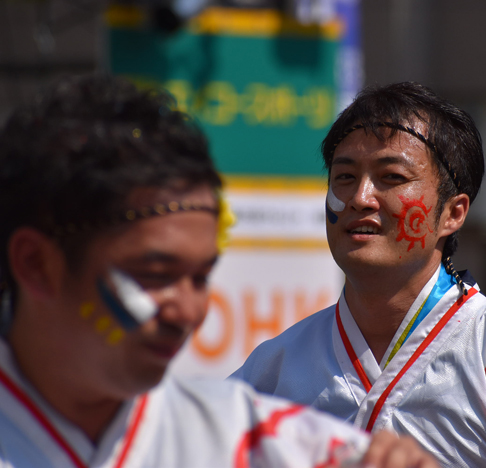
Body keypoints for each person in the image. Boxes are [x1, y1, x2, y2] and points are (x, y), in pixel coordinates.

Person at [0, 75, 438, 468]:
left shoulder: (253, 442)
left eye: (201, 277)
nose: (188, 311)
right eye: (154, 274)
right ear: (36, 265)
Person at [233, 82, 486, 468]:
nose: (360, 197)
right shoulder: (271, 371)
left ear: (453, 213)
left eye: (391, 178)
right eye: (345, 177)